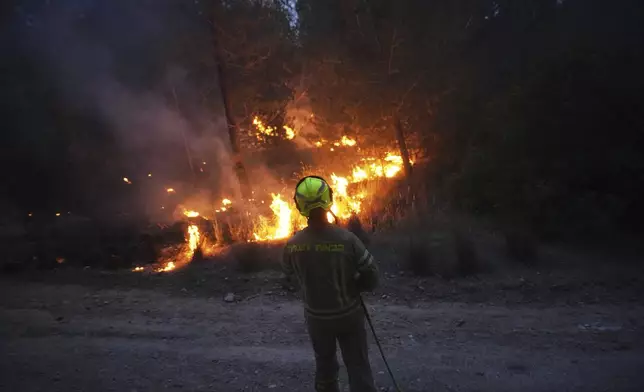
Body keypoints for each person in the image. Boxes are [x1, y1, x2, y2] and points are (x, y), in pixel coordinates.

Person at [282, 175, 379, 392]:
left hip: (317, 319)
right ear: (329, 200)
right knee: (357, 364)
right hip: (349, 315)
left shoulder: (293, 245)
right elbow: (372, 275)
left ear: (299, 206)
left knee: (325, 365)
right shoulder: (347, 239)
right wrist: (358, 285)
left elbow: (287, 279)